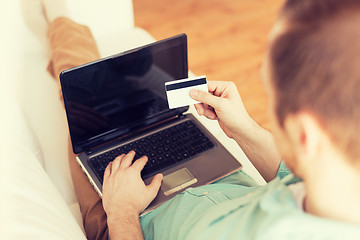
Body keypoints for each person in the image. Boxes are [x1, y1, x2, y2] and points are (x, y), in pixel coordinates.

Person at [22, 0, 360, 239]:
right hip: (218, 178)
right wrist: (241, 127)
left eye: (272, 99)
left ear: (305, 135)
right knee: (140, 92)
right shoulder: (337, 187)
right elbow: (292, 174)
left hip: (131, 218)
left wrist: (121, 212)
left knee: (83, 99)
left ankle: (60, 19)